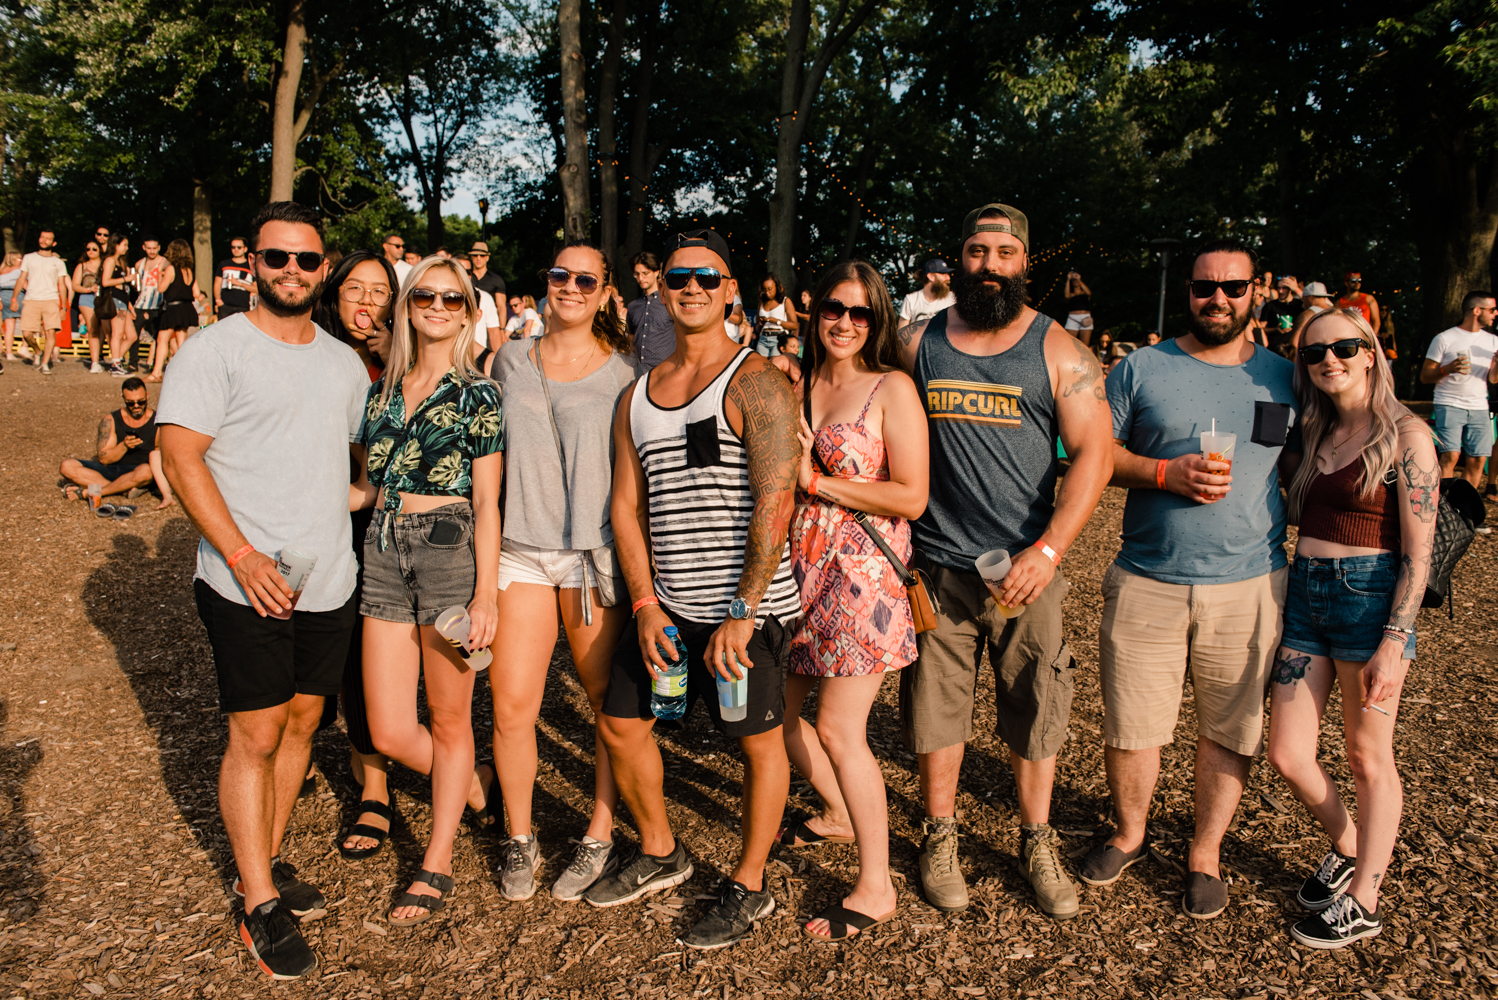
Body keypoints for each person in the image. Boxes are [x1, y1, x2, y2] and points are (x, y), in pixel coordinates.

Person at [158, 202, 370, 980]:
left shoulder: (344, 363)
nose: (290, 272)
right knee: (255, 734)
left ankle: (267, 867)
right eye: (275, 258)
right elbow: (182, 460)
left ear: (324, 268)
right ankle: (257, 902)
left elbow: (347, 460)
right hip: (243, 579)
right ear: (250, 263)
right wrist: (241, 553)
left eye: (306, 260)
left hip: (329, 579)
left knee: (304, 723)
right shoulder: (215, 351)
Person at [894, 203, 1114, 920]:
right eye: (977, 251)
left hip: (1025, 572)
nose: (989, 265)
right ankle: (939, 834)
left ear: (1026, 262)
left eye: (1004, 253)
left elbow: (1094, 457)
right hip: (937, 564)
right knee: (936, 710)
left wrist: (1048, 551)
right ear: (958, 259)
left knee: (1037, 706)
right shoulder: (918, 343)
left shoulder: (1059, 351)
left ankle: (1035, 839)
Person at [591, 228, 802, 951]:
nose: (691, 288)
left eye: (707, 279)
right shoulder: (636, 397)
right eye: (679, 277)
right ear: (660, 287)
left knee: (756, 744)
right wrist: (645, 602)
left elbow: (777, 501)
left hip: (746, 612)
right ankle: (660, 851)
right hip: (669, 607)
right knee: (621, 725)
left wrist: (743, 614)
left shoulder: (757, 382)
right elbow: (627, 505)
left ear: (730, 290)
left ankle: (749, 884)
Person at [1087, 238, 1300, 921]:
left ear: (1255, 292)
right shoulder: (1141, 368)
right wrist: (1161, 472)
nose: (1219, 300)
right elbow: (1091, 457)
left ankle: (1204, 853)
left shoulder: (1287, 377)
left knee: (1230, 727)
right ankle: (1130, 833)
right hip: (1148, 577)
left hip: (1251, 583)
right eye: (1206, 288)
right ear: (1188, 293)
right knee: (1132, 725)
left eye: (1233, 288)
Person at [1266, 308, 1435, 949]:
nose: (1329, 359)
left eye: (1343, 347)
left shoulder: (1406, 436)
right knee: (1288, 753)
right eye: (1314, 353)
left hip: (1369, 603)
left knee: (1368, 757)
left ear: (1369, 352)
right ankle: (1348, 845)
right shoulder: (1313, 431)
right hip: (1305, 594)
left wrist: (1396, 642)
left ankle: (1364, 897)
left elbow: (1418, 555)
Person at [481, 241, 638, 902]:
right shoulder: (508, 359)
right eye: (558, 274)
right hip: (520, 550)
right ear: (544, 282)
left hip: (588, 561)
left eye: (585, 279)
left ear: (605, 293)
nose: (568, 286)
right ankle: (519, 833)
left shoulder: (627, 375)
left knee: (605, 707)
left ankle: (599, 832)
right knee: (512, 706)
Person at [351, 256, 503, 929]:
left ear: (468, 313)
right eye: (425, 297)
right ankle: (468, 783)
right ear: (408, 306)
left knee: (448, 718)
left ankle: (437, 858)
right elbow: (364, 486)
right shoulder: (380, 391)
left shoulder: (480, 394)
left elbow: (489, 503)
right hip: (382, 548)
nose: (437, 307)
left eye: (452, 298)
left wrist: (486, 596)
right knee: (386, 727)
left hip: (449, 552)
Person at [781, 260, 929, 940]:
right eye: (834, 309)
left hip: (861, 573)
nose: (844, 323)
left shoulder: (890, 387)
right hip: (793, 568)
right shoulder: (796, 381)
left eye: (860, 313)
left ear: (878, 321)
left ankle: (877, 885)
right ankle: (838, 812)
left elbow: (911, 497)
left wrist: (821, 483)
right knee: (771, 717)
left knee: (841, 729)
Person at [307, 249, 400, 859]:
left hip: (374, 520)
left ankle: (375, 788)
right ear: (334, 294)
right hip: (310, 518)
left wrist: (394, 349)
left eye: (380, 292)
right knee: (315, 646)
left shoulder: (399, 358)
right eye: (355, 290)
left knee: (364, 657)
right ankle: (301, 741)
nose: (367, 302)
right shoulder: (306, 348)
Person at [1420, 291, 1498, 488]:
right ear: (1476, 310)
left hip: (1480, 406)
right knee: (1450, 456)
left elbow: (1494, 379)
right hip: (1449, 403)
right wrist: (1448, 369)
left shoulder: (1492, 341)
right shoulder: (1445, 339)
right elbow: (1425, 376)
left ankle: (1464, 508)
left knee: (1479, 459)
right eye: (1492, 310)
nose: (1495, 314)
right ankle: (1445, 506)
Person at [59, 377, 157, 499]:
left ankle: (95, 491)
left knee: (147, 472)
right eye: (131, 403)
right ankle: (121, 490)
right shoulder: (111, 420)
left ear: (147, 395)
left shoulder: (157, 421)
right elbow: (104, 459)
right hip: (111, 470)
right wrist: (124, 446)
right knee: (67, 466)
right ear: (123, 398)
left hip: (137, 472)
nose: (136, 406)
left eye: (141, 401)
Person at [10, 229, 69, 375]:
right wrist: (14, 298)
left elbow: (62, 285)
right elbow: (21, 278)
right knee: (27, 333)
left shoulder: (58, 263)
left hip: (51, 299)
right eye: (42, 237)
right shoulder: (29, 258)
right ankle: (37, 351)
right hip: (31, 298)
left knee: (50, 333)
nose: (44, 240)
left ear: (53, 243)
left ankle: (45, 364)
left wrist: (63, 307)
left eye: (48, 239)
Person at [147, 239, 205, 382]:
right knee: (181, 342)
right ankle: (184, 372)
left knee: (162, 339)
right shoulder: (189, 271)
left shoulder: (171, 269)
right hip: (186, 308)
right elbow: (196, 293)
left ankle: (156, 372)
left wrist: (160, 277)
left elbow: (161, 289)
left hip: (172, 308)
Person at [627, 251, 674, 369]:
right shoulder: (633, 306)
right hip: (638, 372)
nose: (640, 278)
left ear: (656, 272)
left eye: (645, 273)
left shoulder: (669, 303)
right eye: (636, 274)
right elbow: (631, 339)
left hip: (665, 370)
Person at [100, 236, 138, 377]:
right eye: (124, 245)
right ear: (116, 245)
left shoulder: (120, 262)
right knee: (118, 333)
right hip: (115, 301)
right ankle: (116, 364)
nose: (126, 248)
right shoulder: (109, 261)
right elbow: (105, 282)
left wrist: (130, 306)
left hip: (123, 301)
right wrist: (125, 279)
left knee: (132, 336)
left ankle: (115, 360)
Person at [134, 239, 169, 364]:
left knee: (157, 336)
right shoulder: (139, 264)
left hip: (158, 303)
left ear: (159, 247)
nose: (152, 251)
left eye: (154, 248)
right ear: (144, 247)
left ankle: (154, 363)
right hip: (140, 303)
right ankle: (133, 362)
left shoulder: (164, 262)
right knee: (134, 334)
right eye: (149, 248)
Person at [72, 241, 105, 373]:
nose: (91, 251)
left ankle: (110, 359)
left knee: (106, 329)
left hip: (103, 299)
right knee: (92, 329)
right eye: (88, 249)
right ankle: (95, 362)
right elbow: (75, 285)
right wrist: (88, 289)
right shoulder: (82, 266)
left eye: (94, 249)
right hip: (87, 298)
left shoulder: (105, 265)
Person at [897, 259, 956, 329]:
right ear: (931, 276)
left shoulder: (952, 298)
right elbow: (901, 332)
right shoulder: (911, 300)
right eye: (943, 274)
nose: (948, 277)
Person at [750, 274, 793, 357]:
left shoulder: (785, 301)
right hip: (763, 338)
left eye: (770, 289)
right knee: (761, 367)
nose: (767, 292)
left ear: (776, 287)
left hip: (778, 337)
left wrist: (776, 321)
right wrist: (761, 324)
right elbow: (757, 327)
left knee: (774, 366)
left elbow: (794, 325)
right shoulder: (761, 303)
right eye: (764, 289)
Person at [1288, 281, 1337, 350]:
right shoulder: (1336, 312)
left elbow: (1295, 342)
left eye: (1304, 299)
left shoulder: (1309, 313)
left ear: (1310, 298)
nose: (1303, 304)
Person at [215, 237, 255, 320]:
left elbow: (256, 289)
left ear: (245, 249)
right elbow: (217, 284)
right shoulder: (224, 264)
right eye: (233, 247)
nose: (236, 249)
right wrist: (218, 301)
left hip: (243, 307)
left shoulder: (251, 267)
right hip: (225, 306)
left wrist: (239, 283)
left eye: (239, 247)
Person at [469, 241, 507, 325]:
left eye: (482, 255)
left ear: (487, 257)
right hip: (468, 321)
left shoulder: (496, 280)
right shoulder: (465, 277)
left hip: (489, 324)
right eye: (475, 255)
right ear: (471, 257)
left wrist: (502, 328)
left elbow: (501, 307)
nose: (478, 258)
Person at [1260, 279, 1300, 357]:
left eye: (1284, 288)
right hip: (1275, 349)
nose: (1280, 291)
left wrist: (1296, 289)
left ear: (1290, 289)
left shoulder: (1298, 304)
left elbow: (1313, 304)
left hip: (1293, 349)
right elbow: (1260, 328)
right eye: (1278, 288)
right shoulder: (1270, 306)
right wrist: (1275, 329)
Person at [1336, 272, 1381, 337]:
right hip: (1346, 337)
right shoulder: (1339, 302)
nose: (1357, 283)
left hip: (1364, 336)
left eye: (1359, 280)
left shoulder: (1368, 299)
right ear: (1346, 283)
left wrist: (1371, 339)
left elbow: (1376, 322)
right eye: (1353, 281)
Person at [0, 251, 22, 367]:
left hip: (3, 297)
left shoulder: (2, 271)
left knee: (9, 327)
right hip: (16, 297)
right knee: (28, 323)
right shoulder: (18, 271)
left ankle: (9, 353)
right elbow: (25, 284)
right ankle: (24, 348)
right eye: (18, 258)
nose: (21, 260)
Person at [1063, 270, 1095, 345]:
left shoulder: (1084, 293)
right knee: (1069, 342)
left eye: (1076, 279)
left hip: (1086, 319)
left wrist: (1079, 279)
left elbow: (1089, 293)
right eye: (1073, 280)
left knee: (1084, 345)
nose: (1075, 281)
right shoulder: (1071, 294)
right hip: (1072, 319)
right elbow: (1066, 296)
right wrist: (1068, 279)